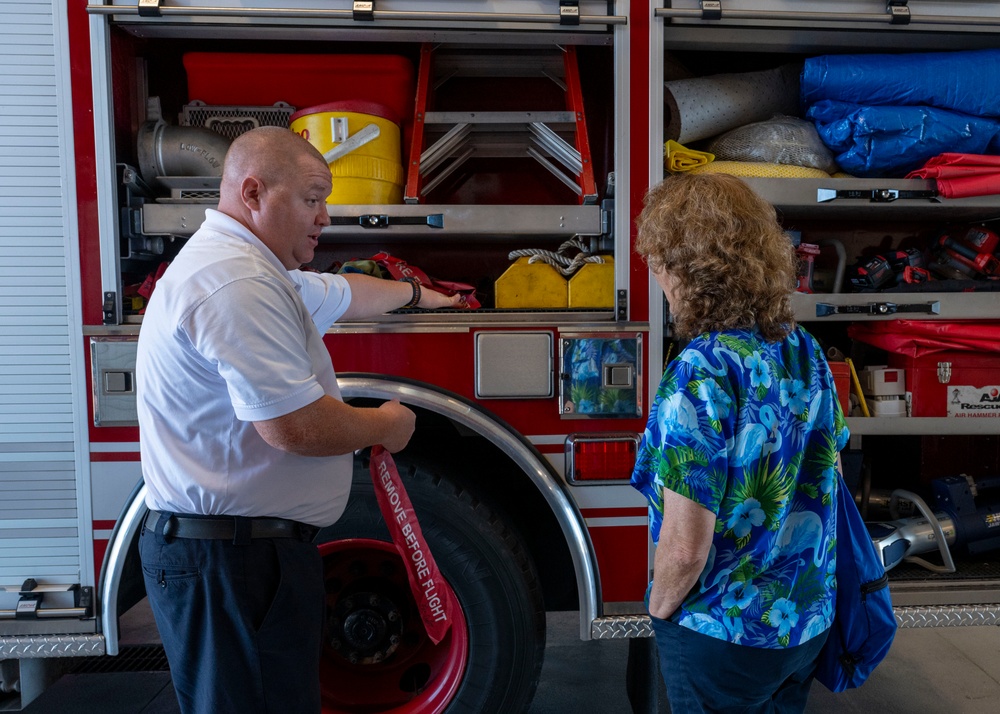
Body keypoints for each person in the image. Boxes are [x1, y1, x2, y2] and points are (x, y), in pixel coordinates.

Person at [135, 126, 464, 714]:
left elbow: (344, 293)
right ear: (255, 192)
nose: (325, 216)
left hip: (239, 559)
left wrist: (420, 296)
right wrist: (385, 426)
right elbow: (295, 429)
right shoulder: (235, 282)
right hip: (233, 567)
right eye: (312, 199)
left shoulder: (256, 272)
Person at [630, 173, 850, 713]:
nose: (658, 278)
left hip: (722, 633)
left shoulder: (700, 372)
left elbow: (685, 549)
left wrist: (659, 613)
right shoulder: (803, 349)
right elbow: (832, 478)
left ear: (684, 269)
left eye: (658, 263)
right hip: (802, 625)